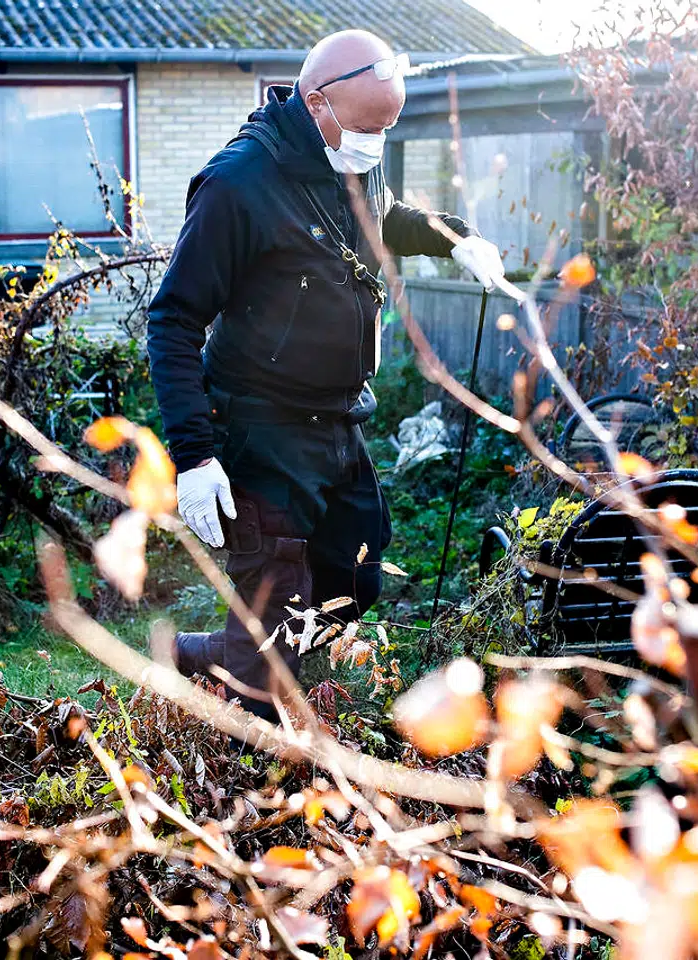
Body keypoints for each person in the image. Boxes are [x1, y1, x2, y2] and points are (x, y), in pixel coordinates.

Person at [145, 29, 505, 719]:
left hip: (340, 421)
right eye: (370, 127)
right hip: (259, 429)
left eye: (387, 129)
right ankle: (249, 781)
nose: (376, 143)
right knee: (272, 616)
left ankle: (202, 654)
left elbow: (384, 218)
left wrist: (454, 238)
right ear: (318, 104)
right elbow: (173, 322)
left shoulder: (351, 152)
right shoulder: (238, 185)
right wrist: (193, 458)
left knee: (355, 580)